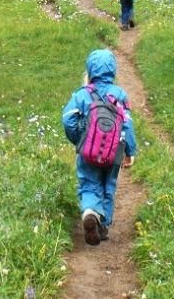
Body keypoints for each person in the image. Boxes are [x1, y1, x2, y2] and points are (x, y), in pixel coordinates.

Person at [61, 49, 137, 245]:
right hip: (114, 152)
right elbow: (127, 124)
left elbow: (68, 120)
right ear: (113, 70)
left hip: (88, 152)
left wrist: (81, 140)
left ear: (90, 70)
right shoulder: (119, 94)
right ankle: (103, 224)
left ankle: (89, 211)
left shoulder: (82, 94)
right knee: (108, 186)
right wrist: (130, 151)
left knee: (88, 183)